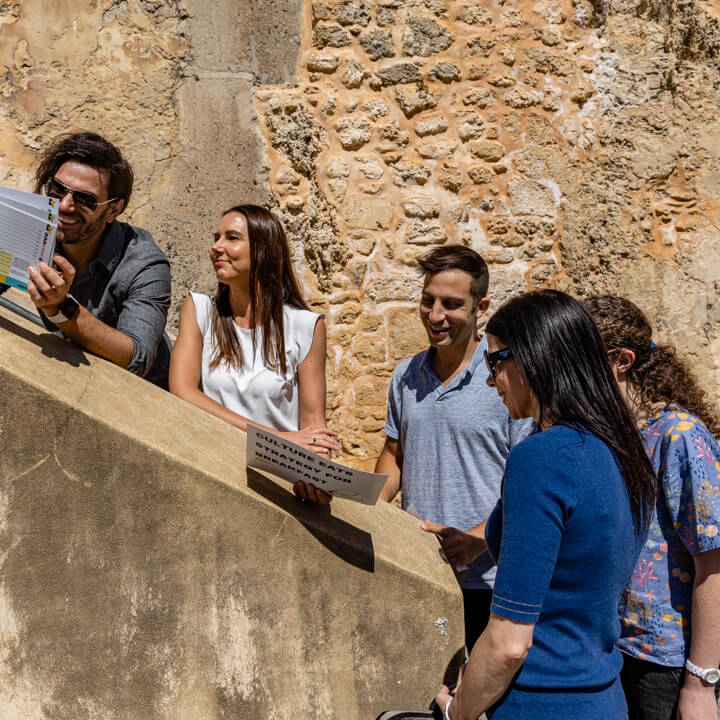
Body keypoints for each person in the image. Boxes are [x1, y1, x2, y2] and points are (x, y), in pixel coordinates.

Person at [435, 290, 657, 720]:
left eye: (494, 362)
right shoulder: (618, 447)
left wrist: (456, 712)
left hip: (541, 701)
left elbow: (509, 642)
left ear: (534, 359)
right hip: (603, 696)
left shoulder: (543, 456)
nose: (489, 380)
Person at [375, 245, 534, 652]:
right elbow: (395, 454)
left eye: (451, 304)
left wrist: (480, 537)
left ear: (481, 306)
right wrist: (365, 506)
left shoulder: (508, 377)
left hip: (490, 582)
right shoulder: (405, 376)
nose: (435, 315)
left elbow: (527, 478)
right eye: (428, 301)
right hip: (417, 570)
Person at [585, 295, 720, 720]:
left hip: (668, 665)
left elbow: (713, 564)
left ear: (621, 361)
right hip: (614, 649)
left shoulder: (680, 436)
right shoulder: (611, 433)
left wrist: (700, 683)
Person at [169, 205, 340, 502]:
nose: (216, 247)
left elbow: (314, 427)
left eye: (231, 238)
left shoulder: (305, 325)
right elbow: (183, 392)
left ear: (263, 251)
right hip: (213, 475)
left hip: (278, 488)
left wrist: (318, 476)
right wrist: (277, 440)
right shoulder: (198, 311)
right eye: (216, 237)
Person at [26, 132, 171, 387]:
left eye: (85, 199)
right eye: (58, 189)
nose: (65, 205)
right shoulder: (38, 227)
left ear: (113, 209)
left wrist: (61, 308)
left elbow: (137, 357)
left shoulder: (145, 264)